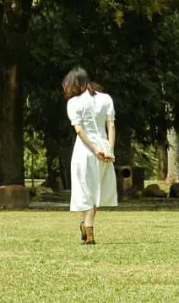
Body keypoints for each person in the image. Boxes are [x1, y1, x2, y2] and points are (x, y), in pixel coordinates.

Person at [63, 66, 117, 244]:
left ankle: (89, 230)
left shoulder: (74, 103)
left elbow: (79, 131)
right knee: (98, 191)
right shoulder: (106, 99)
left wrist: (94, 149)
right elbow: (111, 126)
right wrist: (109, 149)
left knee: (85, 189)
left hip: (85, 150)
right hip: (103, 146)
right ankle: (87, 228)